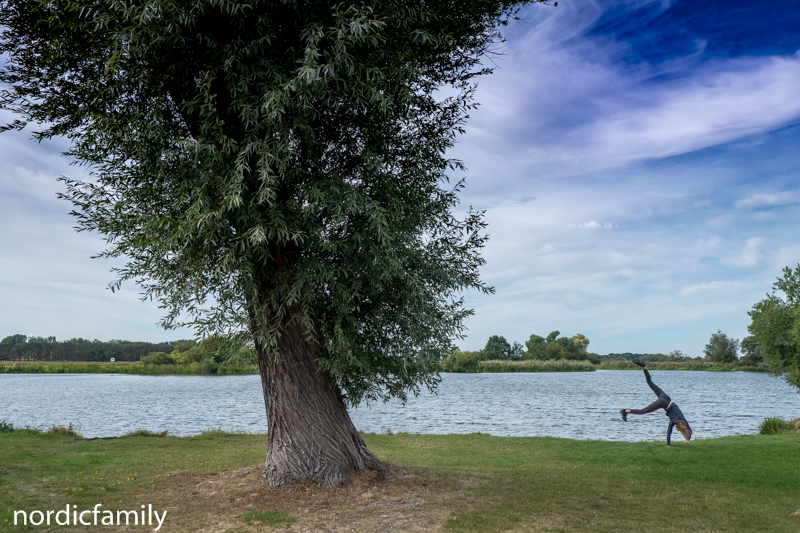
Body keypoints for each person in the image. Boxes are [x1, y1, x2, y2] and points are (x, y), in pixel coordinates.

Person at [620, 360, 692, 446]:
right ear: (679, 427)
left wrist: (688, 439)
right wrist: (668, 445)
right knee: (643, 411)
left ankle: (644, 367)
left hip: (666, 397)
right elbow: (669, 433)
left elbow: (689, 429)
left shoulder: (683, 420)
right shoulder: (673, 421)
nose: (677, 430)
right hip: (664, 403)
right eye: (678, 429)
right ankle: (625, 411)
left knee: (650, 382)